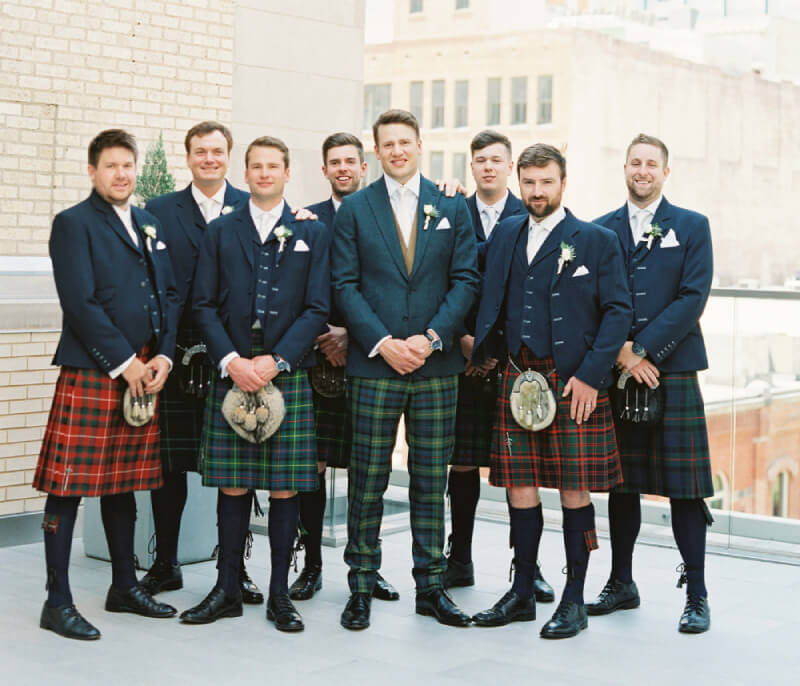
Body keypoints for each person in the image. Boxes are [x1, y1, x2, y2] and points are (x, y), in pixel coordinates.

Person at [470, 143, 632, 638]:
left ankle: (574, 599)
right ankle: (521, 592)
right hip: (518, 377)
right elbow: (470, 274)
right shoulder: (505, 235)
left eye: (547, 182)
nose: (537, 192)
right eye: (530, 182)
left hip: (572, 380)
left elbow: (619, 312)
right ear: (519, 182)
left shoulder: (596, 240)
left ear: (564, 183)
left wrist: (590, 376)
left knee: (573, 489)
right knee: (519, 487)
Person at [331, 109, 479, 630]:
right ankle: (361, 586)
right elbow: (344, 285)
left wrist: (430, 337)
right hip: (374, 367)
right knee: (368, 480)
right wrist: (384, 343)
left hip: (436, 366)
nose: (396, 151)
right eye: (387, 144)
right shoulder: (355, 209)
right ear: (376, 151)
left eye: (404, 142)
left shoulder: (451, 205)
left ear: (421, 144)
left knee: (429, 479)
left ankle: (431, 587)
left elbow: (465, 279)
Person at [34, 128, 179, 640]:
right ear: (92, 171)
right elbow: (80, 302)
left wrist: (162, 354)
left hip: (145, 367)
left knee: (123, 482)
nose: (122, 174)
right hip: (96, 371)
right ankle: (57, 601)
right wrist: (125, 362)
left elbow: (169, 294)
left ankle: (124, 586)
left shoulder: (148, 222)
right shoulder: (73, 224)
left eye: (128, 165)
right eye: (111, 166)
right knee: (66, 485)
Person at [183, 136, 330, 632]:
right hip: (233, 371)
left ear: (288, 173)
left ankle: (278, 594)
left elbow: (317, 308)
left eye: (274, 166)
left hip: (285, 374)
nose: (265, 173)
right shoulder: (222, 231)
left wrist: (278, 360)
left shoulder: (313, 231)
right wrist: (230, 360)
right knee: (233, 481)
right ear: (245, 174)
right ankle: (226, 587)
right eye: (257, 166)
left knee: (287, 487)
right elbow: (201, 303)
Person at [587, 133, 715, 634]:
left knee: (686, 489)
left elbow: (692, 296)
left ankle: (698, 594)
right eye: (634, 162)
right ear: (624, 168)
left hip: (674, 369)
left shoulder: (692, 226)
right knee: (623, 484)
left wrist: (643, 350)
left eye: (651, 164)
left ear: (665, 171)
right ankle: (622, 583)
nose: (642, 170)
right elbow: (592, 298)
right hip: (619, 374)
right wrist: (621, 353)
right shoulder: (599, 230)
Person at [141, 121, 263, 605]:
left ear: (228, 156)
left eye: (216, 151)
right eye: (199, 151)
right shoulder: (158, 210)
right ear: (187, 156)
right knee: (168, 464)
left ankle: (233, 570)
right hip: (175, 345)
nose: (208, 159)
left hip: (233, 352)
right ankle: (165, 564)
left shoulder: (252, 204)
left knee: (236, 466)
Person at [289, 132, 399, 603]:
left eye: (351, 161)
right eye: (334, 162)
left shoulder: (390, 214)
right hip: (319, 358)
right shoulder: (306, 220)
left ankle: (367, 569)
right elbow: (298, 288)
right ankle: (310, 563)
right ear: (324, 169)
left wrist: (352, 337)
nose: (343, 169)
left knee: (367, 468)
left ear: (364, 165)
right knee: (310, 466)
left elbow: (397, 289)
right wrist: (326, 337)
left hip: (372, 358)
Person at [445, 130, 554, 604]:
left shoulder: (530, 212)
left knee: (520, 468)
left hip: (515, 362)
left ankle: (526, 565)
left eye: (496, 160)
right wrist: (463, 341)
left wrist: (499, 350)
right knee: (463, 461)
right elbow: (437, 282)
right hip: (463, 356)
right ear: (471, 167)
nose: (487, 167)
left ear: (510, 167)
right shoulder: (452, 213)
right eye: (480, 160)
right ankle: (459, 557)